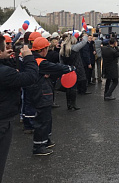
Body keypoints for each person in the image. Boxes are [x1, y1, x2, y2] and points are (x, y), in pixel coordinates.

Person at [27, 37, 75, 156]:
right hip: (41, 93)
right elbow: (56, 67)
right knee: (42, 120)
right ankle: (39, 146)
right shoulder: (40, 62)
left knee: (46, 118)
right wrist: (70, 68)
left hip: (42, 92)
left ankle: (45, 141)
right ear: (43, 49)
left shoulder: (33, 59)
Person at [0, 35, 38, 180]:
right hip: (3, 120)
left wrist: (7, 59)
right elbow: (31, 77)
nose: (9, 48)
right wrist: (28, 57)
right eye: (6, 46)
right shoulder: (5, 73)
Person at [60, 34, 89, 110]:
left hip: (66, 69)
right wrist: (85, 35)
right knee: (73, 87)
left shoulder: (62, 49)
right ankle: (73, 104)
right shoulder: (75, 48)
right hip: (74, 69)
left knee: (68, 87)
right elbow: (84, 42)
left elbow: (61, 61)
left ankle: (68, 104)